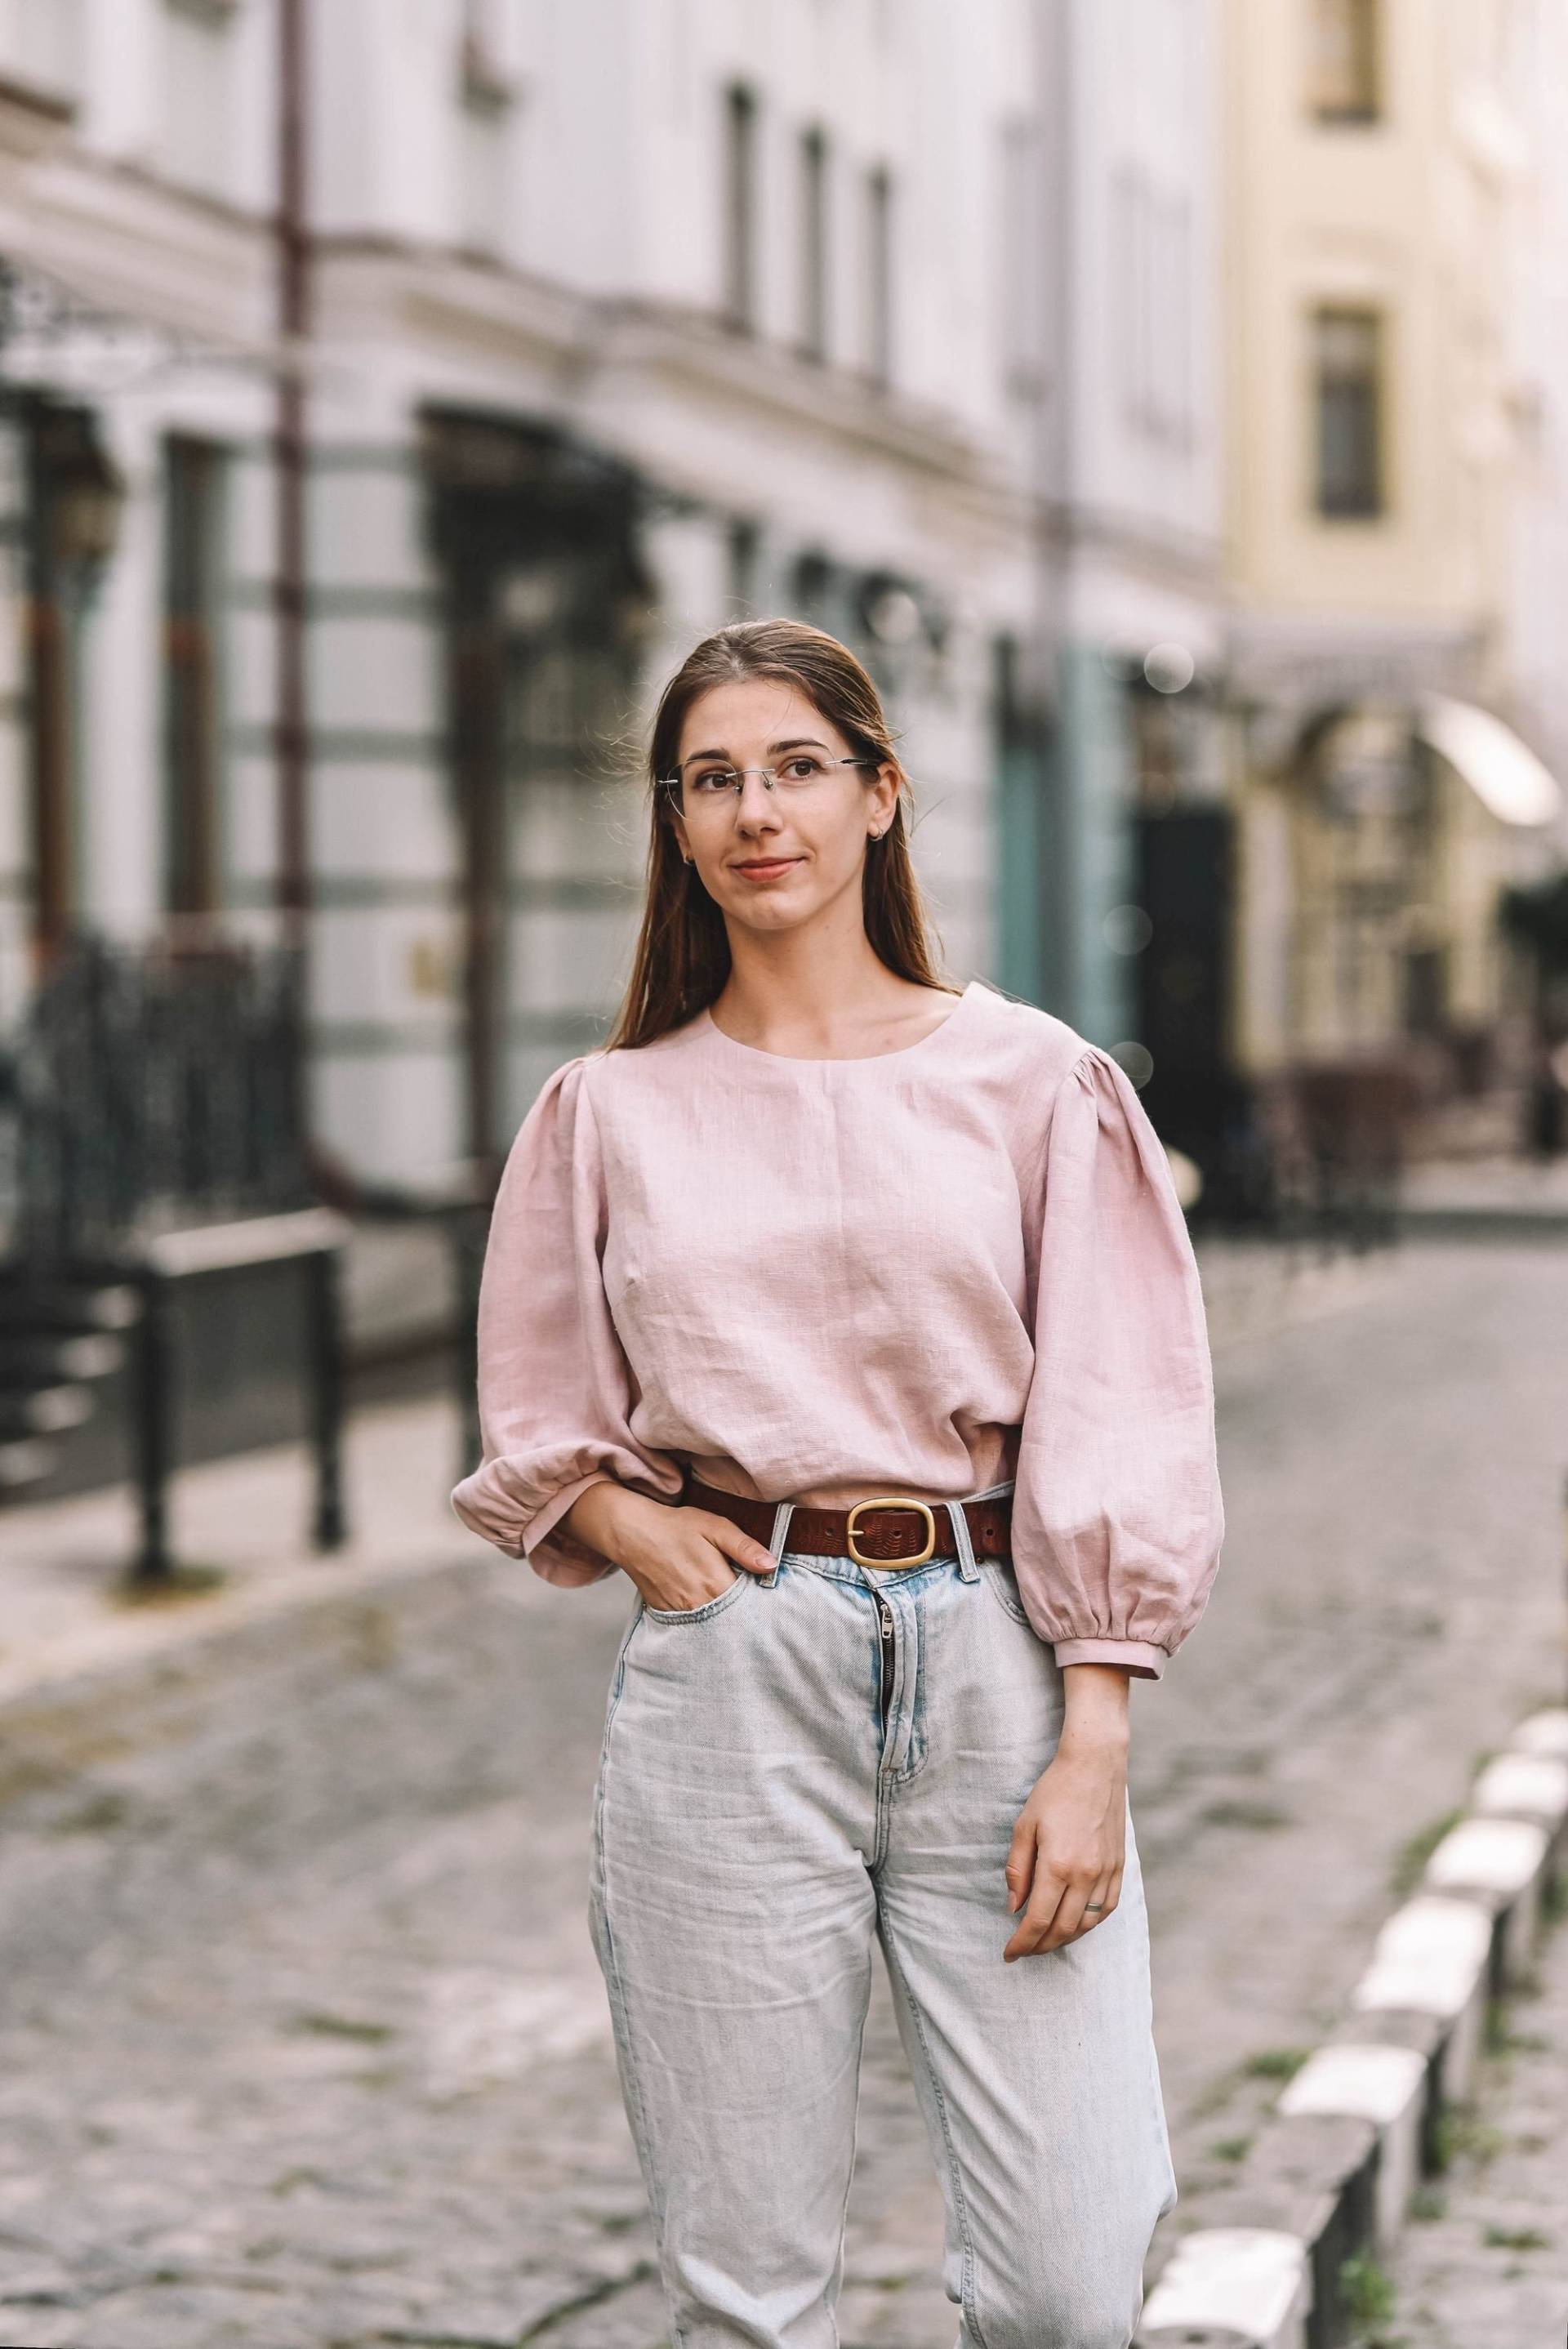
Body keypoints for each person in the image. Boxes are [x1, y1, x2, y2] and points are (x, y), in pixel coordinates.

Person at [452, 618, 1225, 2349]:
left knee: (1072, 2281)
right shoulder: (608, 1110)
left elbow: (1126, 1401)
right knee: (750, 2293)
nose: (756, 812)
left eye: (796, 767)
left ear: (881, 794)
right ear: (676, 825)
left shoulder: (1036, 1083)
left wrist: (1096, 1732)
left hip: (1000, 1664)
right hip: (731, 1680)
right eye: (712, 779)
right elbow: (538, 1404)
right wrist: (626, 1525)